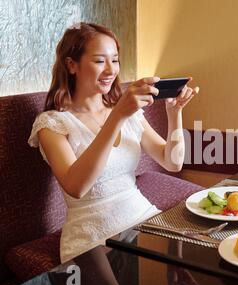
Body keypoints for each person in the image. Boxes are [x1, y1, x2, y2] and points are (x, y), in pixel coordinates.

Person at [28, 22, 199, 263]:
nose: (111, 70)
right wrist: (117, 115)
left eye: (115, 60)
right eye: (99, 61)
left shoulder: (127, 113)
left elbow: (173, 162)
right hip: (93, 240)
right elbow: (76, 187)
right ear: (71, 64)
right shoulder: (52, 125)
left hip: (144, 221)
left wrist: (174, 113)